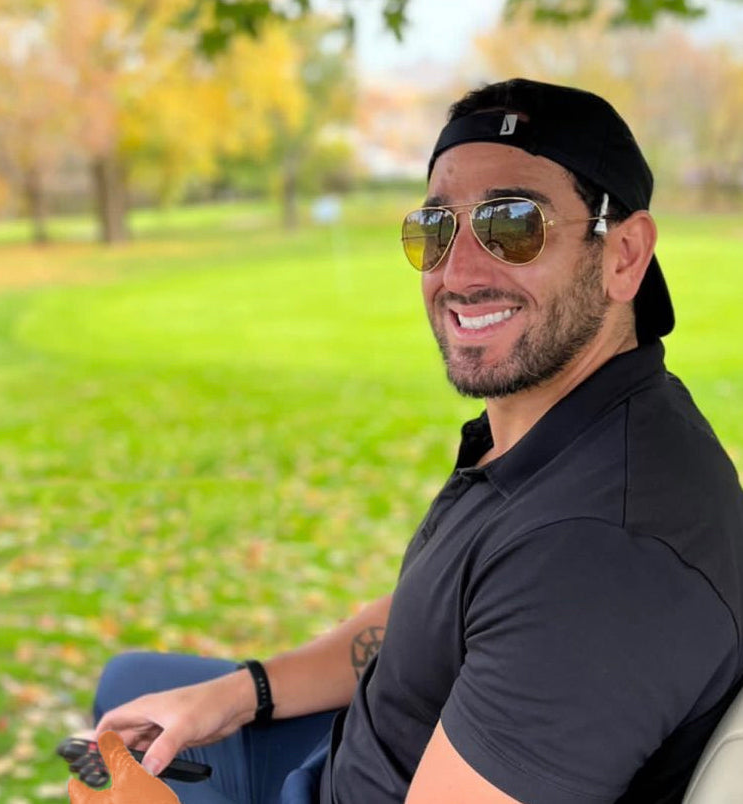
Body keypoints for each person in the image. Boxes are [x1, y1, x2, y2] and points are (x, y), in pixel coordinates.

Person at [88, 78, 743, 803]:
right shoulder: (558, 429)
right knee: (130, 690)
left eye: (513, 224)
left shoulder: (600, 556)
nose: (457, 273)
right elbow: (438, 617)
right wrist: (244, 693)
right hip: (352, 752)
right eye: (434, 231)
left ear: (623, 254)